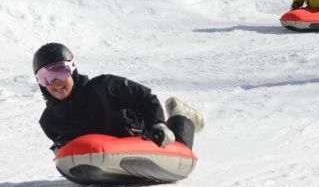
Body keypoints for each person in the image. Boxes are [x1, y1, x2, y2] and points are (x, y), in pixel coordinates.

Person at [33, 42, 204, 152]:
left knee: (180, 149)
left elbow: (145, 96)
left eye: (61, 71)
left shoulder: (104, 87)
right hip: (103, 156)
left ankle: (181, 116)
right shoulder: (49, 122)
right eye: (46, 78)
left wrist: (157, 123)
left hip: (142, 137)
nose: (55, 82)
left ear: (73, 70)